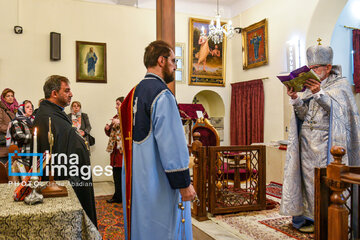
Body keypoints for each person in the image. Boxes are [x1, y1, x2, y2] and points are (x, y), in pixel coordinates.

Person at [120, 40, 197, 240]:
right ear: (161, 61)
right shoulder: (162, 94)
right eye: (173, 60)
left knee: (141, 226)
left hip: (136, 179)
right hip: (158, 181)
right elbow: (171, 144)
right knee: (164, 229)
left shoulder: (132, 94)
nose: (175, 65)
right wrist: (184, 183)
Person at [280, 42, 360, 233]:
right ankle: (308, 218)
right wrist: (295, 99)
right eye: (311, 68)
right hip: (306, 145)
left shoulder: (340, 86)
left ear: (328, 67)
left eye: (316, 68)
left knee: (325, 184)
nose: (313, 71)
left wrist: (320, 94)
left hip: (328, 146)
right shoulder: (309, 88)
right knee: (308, 184)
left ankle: (326, 219)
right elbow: (303, 116)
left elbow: (340, 115)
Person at [34, 75, 97, 227]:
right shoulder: (47, 116)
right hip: (61, 178)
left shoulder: (55, 113)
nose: (71, 94)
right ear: (54, 93)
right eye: (67, 90)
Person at [104, 96, 124, 204]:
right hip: (115, 151)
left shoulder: (127, 116)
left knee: (122, 176)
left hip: (123, 152)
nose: (116, 106)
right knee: (116, 176)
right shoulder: (115, 116)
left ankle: (122, 196)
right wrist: (108, 128)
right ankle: (117, 196)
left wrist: (120, 123)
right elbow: (110, 133)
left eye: (118, 104)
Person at [8, 100, 35, 166]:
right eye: (27, 107)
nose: (30, 108)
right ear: (21, 109)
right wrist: (35, 137)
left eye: (31, 107)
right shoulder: (16, 121)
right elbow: (19, 136)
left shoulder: (34, 120)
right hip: (23, 154)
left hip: (34, 153)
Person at [0, 88, 18, 164]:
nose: (11, 97)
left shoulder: (15, 109)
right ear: (3, 98)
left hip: (12, 145)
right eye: (8, 96)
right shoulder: (1, 110)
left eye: (12, 96)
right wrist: (11, 128)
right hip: (4, 147)